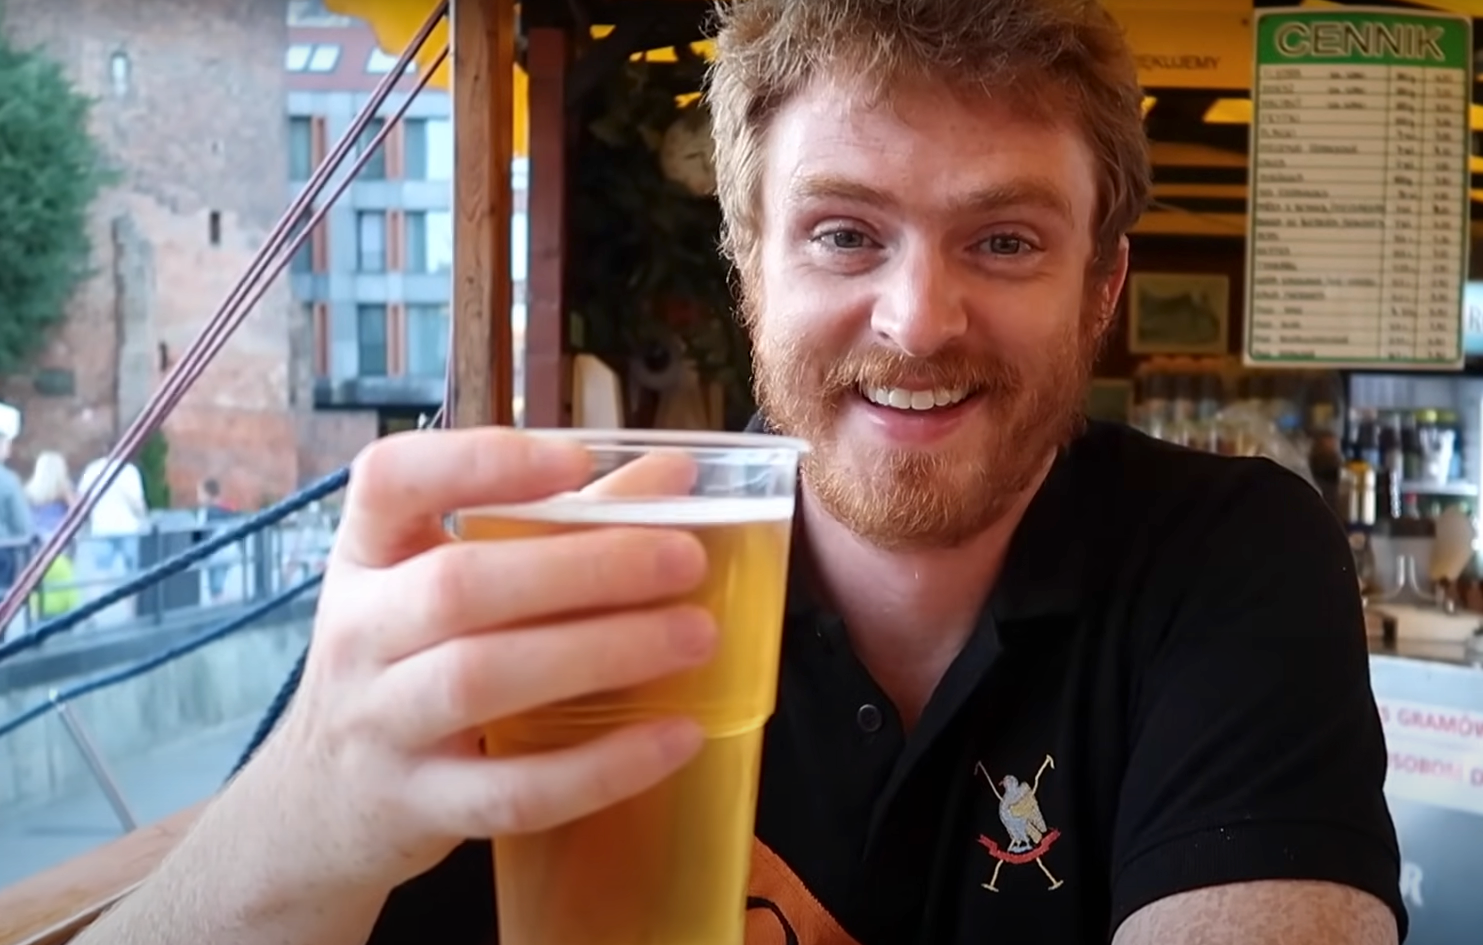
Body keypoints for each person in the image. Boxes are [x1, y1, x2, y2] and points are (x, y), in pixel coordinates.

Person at [76, 2, 1405, 944]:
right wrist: (310, 809)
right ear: (747, 271)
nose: (915, 321)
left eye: (1002, 240)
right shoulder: (551, 576)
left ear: (1100, 287)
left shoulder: (1222, 556)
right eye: (841, 233)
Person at [76, 453, 148, 573]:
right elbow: (138, 504)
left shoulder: (92, 469)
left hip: (102, 528)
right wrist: (144, 517)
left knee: (103, 575)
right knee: (132, 572)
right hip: (127, 528)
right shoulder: (129, 470)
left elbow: (82, 501)